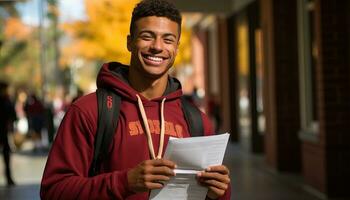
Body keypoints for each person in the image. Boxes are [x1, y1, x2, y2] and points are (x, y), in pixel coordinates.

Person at [40, 0, 231, 199]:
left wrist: (219, 192)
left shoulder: (197, 121)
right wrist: (125, 182)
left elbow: (210, 194)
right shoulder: (89, 111)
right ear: (130, 42)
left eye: (168, 39)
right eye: (147, 36)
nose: (157, 47)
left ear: (176, 47)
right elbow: (53, 191)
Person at [0, 81, 16, 186]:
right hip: (3, 130)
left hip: (3, 131)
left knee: (6, 155)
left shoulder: (7, 100)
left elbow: (13, 115)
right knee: (6, 154)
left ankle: (9, 177)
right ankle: (9, 178)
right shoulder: (6, 100)